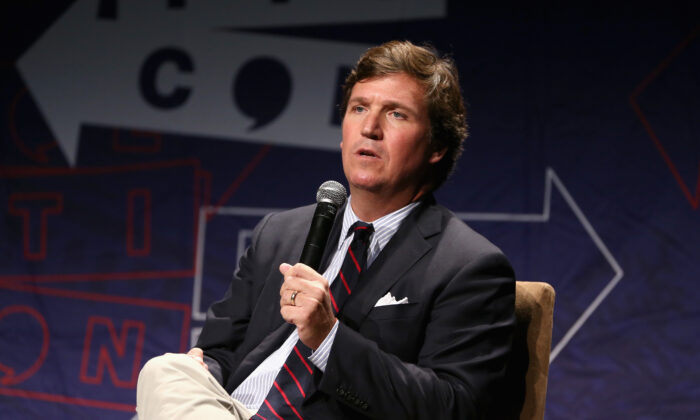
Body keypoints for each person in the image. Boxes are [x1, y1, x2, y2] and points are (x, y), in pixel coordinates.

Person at [136, 40, 515, 419]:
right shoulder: (280, 233)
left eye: (396, 114)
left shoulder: (468, 266)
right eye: (359, 108)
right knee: (167, 370)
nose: (370, 128)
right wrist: (206, 371)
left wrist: (328, 338)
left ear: (437, 147)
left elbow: (455, 407)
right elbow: (219, 352)